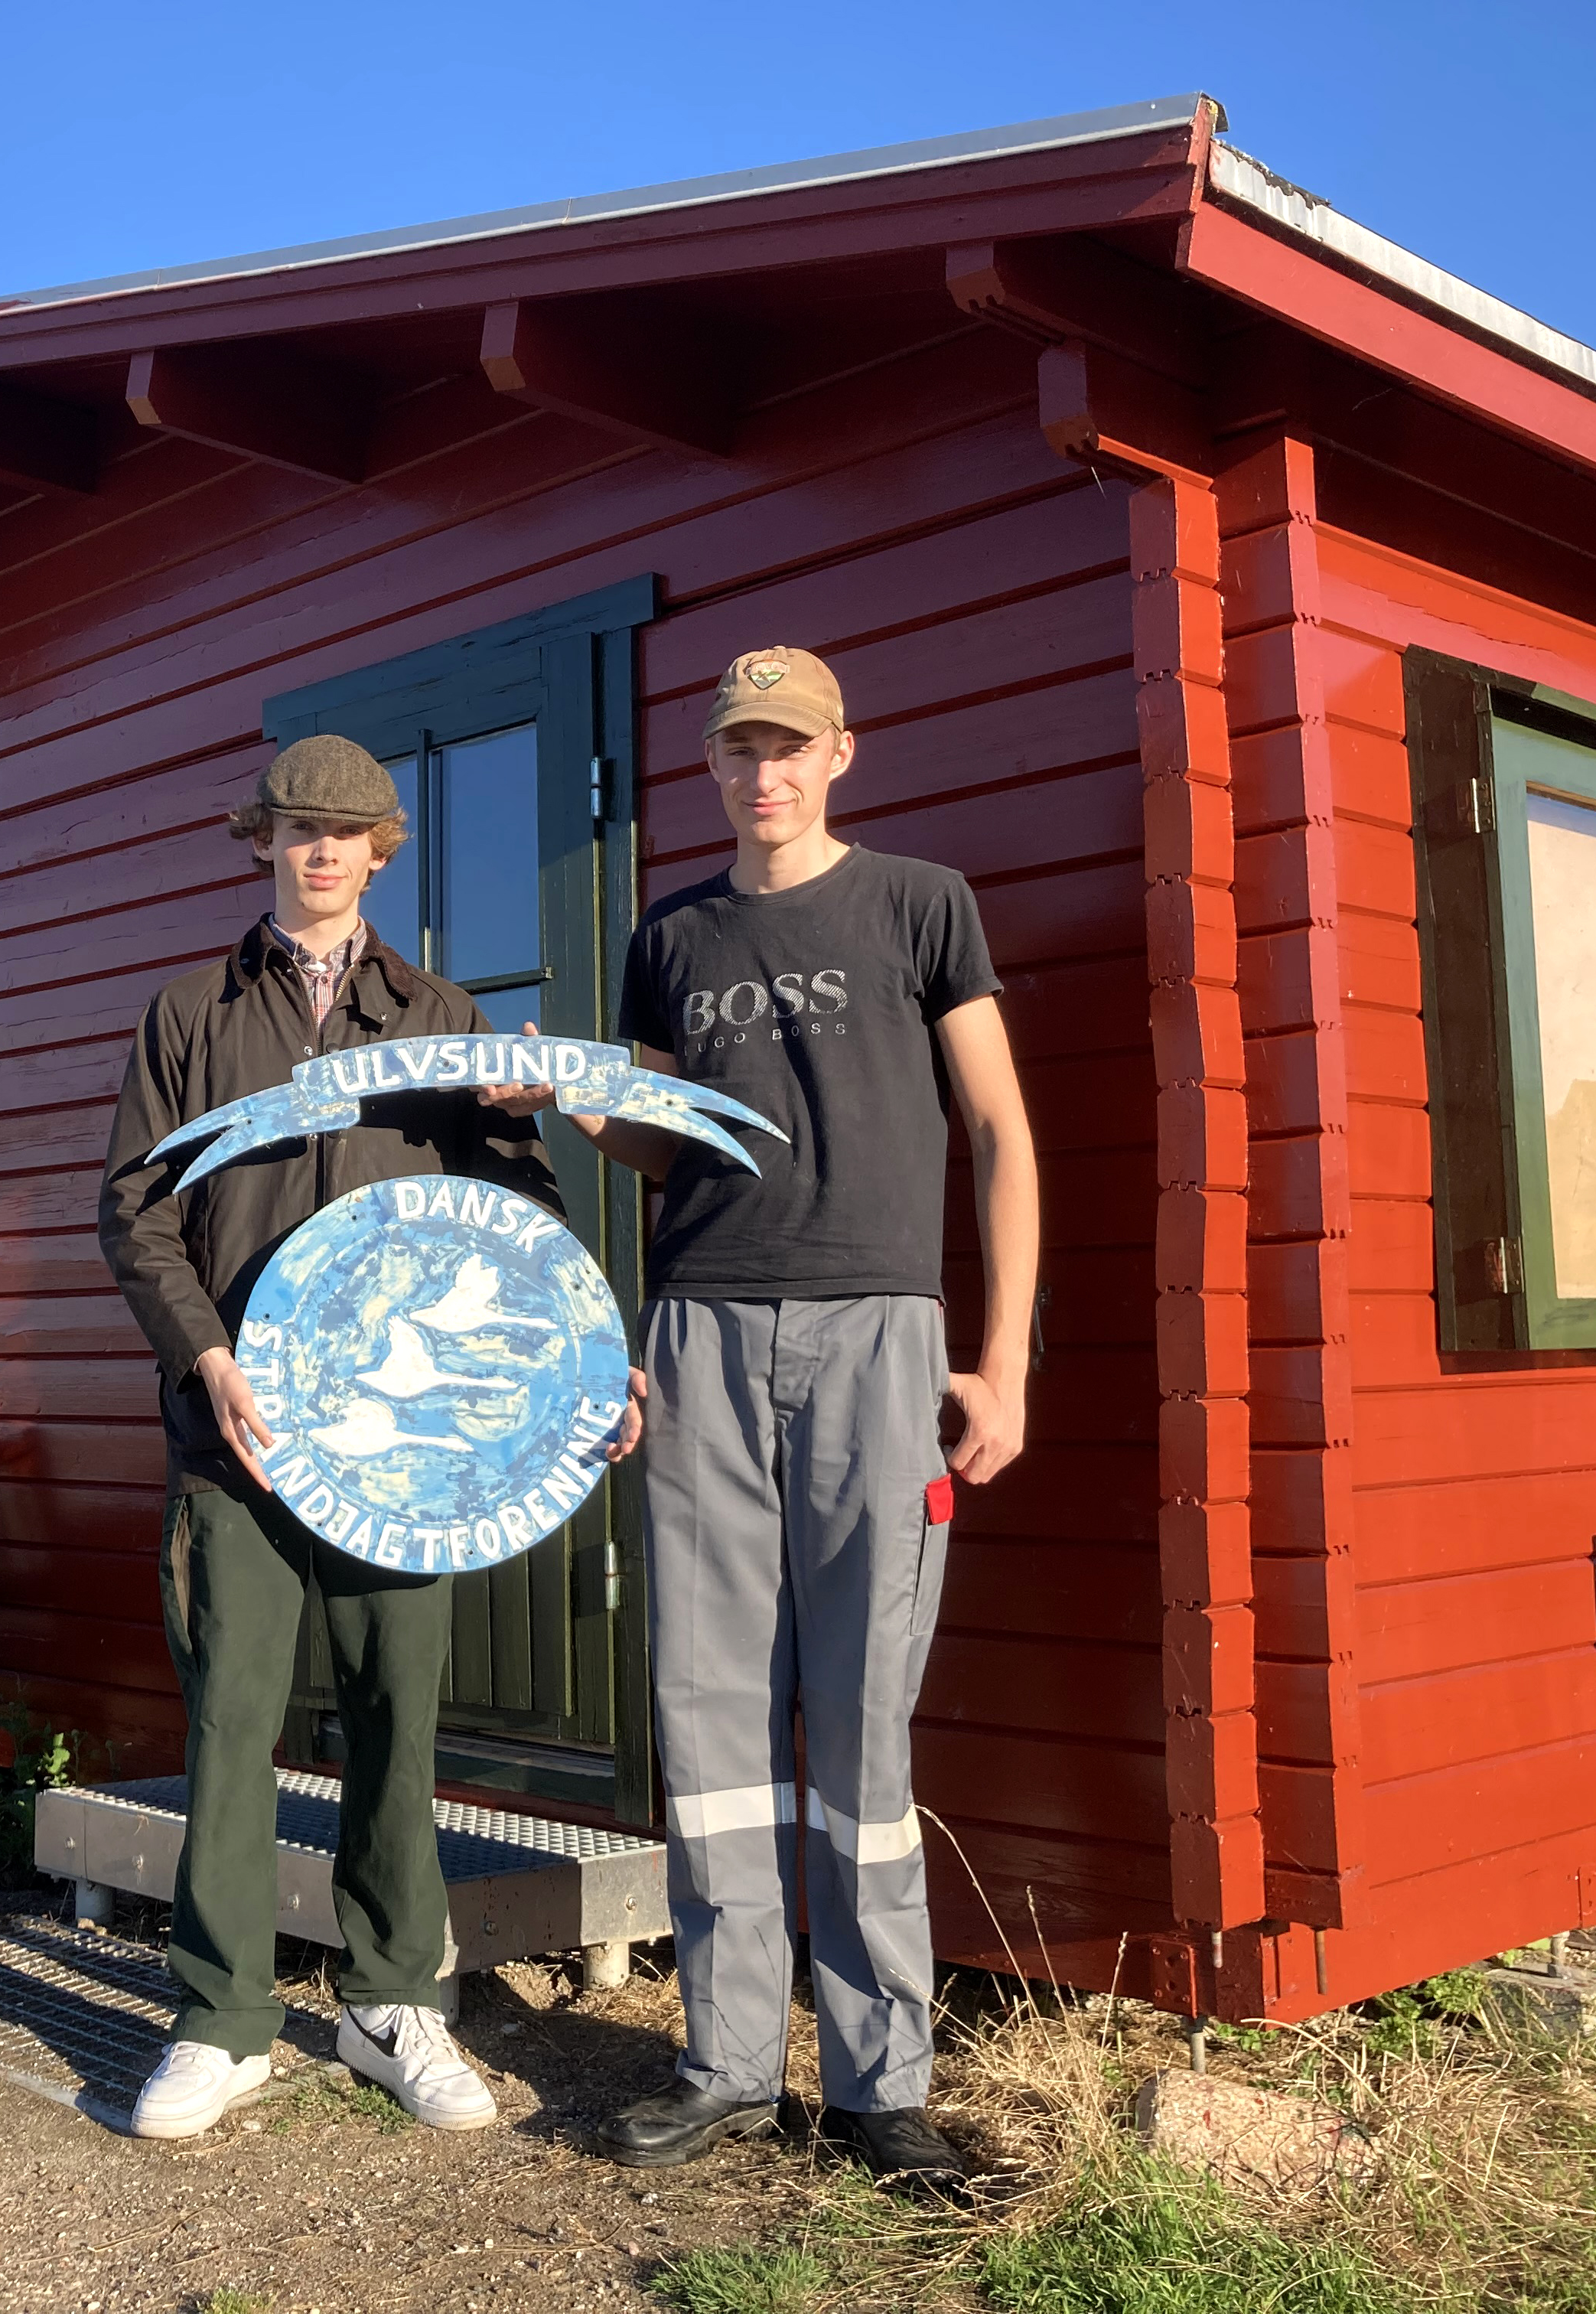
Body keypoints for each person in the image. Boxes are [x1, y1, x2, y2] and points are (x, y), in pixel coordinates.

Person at [490, 647, 1036, 2191]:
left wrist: (1003, 1362)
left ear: (839, 753)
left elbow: (999, 1132)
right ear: (712, 766)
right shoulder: (672, 933)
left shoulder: (920, 904)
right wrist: (575, 1106)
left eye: (788, 746)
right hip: (706, 1332)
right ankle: (729, 2064)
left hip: (881, 1335)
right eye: (739, 749)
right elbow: (668, 1153)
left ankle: (879, 2086)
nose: (763, 772)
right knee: (714, 1720)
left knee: (864, 1718)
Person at [94, 732, 640, 2141]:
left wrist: (581, 1363)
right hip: (245, 1435)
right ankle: (222, 2020)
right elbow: (137, 1211)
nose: (321, 849)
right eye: (297, 828)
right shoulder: (188, 1014)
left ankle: (394, 2001)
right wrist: (204, 1353)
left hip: (405, 1449)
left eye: (346, 831)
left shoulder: (443, 1016)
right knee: (231, 1724)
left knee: (400, 1720)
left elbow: (519, 1217)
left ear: (381, 851)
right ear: (263, 842)